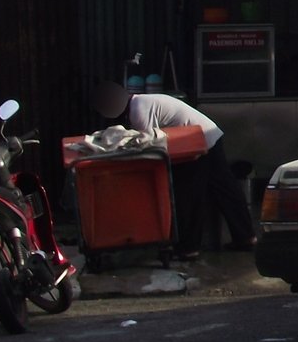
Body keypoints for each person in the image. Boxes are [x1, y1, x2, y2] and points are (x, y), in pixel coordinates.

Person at [94, 81, 258, 258]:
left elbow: (150, 145)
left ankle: (189, 248)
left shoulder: (138, 110)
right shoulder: (141, 102)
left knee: (189, 195)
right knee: (224, 189)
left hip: (198, 141)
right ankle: (246, 237)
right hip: (207, 135)